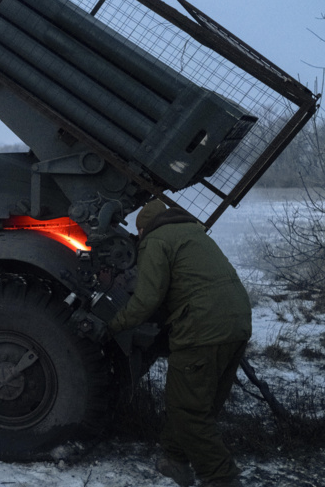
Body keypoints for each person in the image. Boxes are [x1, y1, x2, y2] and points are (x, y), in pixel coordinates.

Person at [108, 199, 252, 487]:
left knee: (188, 410)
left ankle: (222, 478)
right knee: (199, 402)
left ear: (142, 228)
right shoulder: (193, 232)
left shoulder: (155, 239)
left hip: (202, 328)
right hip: (237, 322)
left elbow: (148, 299)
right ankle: (175, 459)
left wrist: (113, 324)